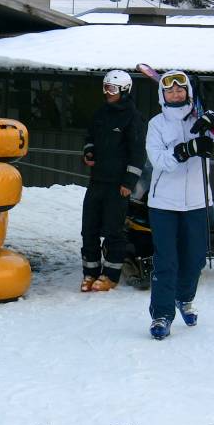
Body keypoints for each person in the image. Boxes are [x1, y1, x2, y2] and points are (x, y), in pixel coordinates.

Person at [146, 70, 214, 340]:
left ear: (188, 92)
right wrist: (188, 149)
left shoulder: (201, 119)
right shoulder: (156, 124)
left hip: (197, 202)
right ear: (163, 94)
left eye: (181, 89)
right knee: (166, 261)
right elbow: (160, 161)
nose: (176, 94)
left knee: (195, 259)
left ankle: (185, 298)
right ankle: (162, 314)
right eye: (170, 90)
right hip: (163, 204)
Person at [80, 70, 146, 292]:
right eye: (105, 87)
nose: (107, 92)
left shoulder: (133, 117)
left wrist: (128, 182)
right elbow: (89, 138)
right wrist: (89, 153)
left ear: (125, 90)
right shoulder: (100, 113)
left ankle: (110, 275)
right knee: (88, 229)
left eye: (112, 89)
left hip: (118, 185)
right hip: (97, 181)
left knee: (113, 231)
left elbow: (137, 153)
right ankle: (90, 272)